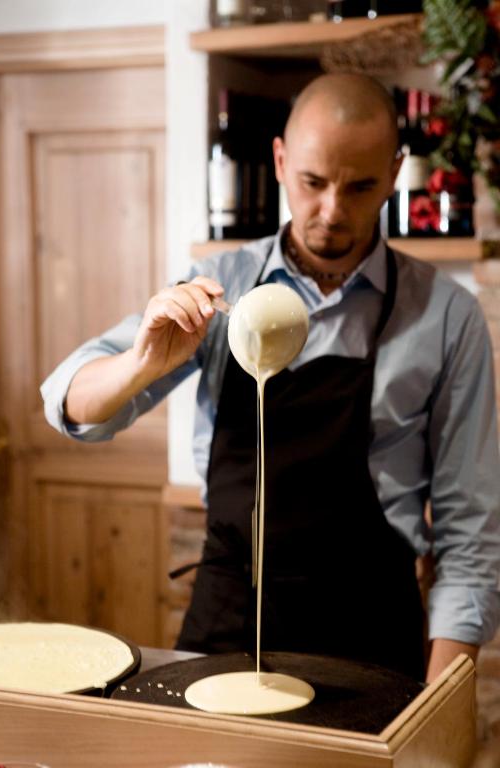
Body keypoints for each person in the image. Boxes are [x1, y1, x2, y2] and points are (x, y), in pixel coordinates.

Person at [41, 73, 500, 683]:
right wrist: (143, 362)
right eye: (313, 182)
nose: (332, 211)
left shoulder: (445, 315)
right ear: (280, 161)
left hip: (369, 625)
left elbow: (470, 535)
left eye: (360, 186)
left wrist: (444, 704)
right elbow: (69, 401)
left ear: (395, 173)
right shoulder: (218, 285)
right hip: (229, 613)